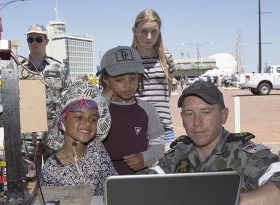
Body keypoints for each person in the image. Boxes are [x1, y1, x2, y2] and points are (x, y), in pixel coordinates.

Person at [149, 80, 280, 205]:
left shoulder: (246, 155)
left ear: (223, 115)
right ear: (182, 118)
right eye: (189, 114)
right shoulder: (176, 156)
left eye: (206, 112)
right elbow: (141, 184)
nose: (196, 123)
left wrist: (230, 201)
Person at [41, 80, 117, 196]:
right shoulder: (51, 169)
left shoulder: (96, 150)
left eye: (93, 119)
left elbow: (113, 187)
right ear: (62, 122)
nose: (87, 123)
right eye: (79, 117)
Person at [97, 46, 165, 175]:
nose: (127, 84)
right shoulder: (95, 108)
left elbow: (158, 141)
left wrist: (145, 158)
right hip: (100, 182)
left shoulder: (147, 109)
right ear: (105, 79)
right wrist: (104, 100)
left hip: (137, 181)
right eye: (119, 79)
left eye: (133, 78)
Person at [20, 24, 71, 158]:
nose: (34, 42)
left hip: (54, 133)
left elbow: (69, 98)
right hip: (28, 135)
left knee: (55, 175)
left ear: (46, 41)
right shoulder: (18, 69)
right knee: (29, 176)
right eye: (30, 39)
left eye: (38, 39)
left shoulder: (58, 67)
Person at [131, 8, 176, 145]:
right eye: (144, 31)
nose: (149, 36)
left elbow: (166, 92)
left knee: (168, 166)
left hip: (165, 129)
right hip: (136, 129)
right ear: (134, 31)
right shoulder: (129, 60)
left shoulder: (166, 58)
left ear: (159, 32)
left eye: (153, 31)